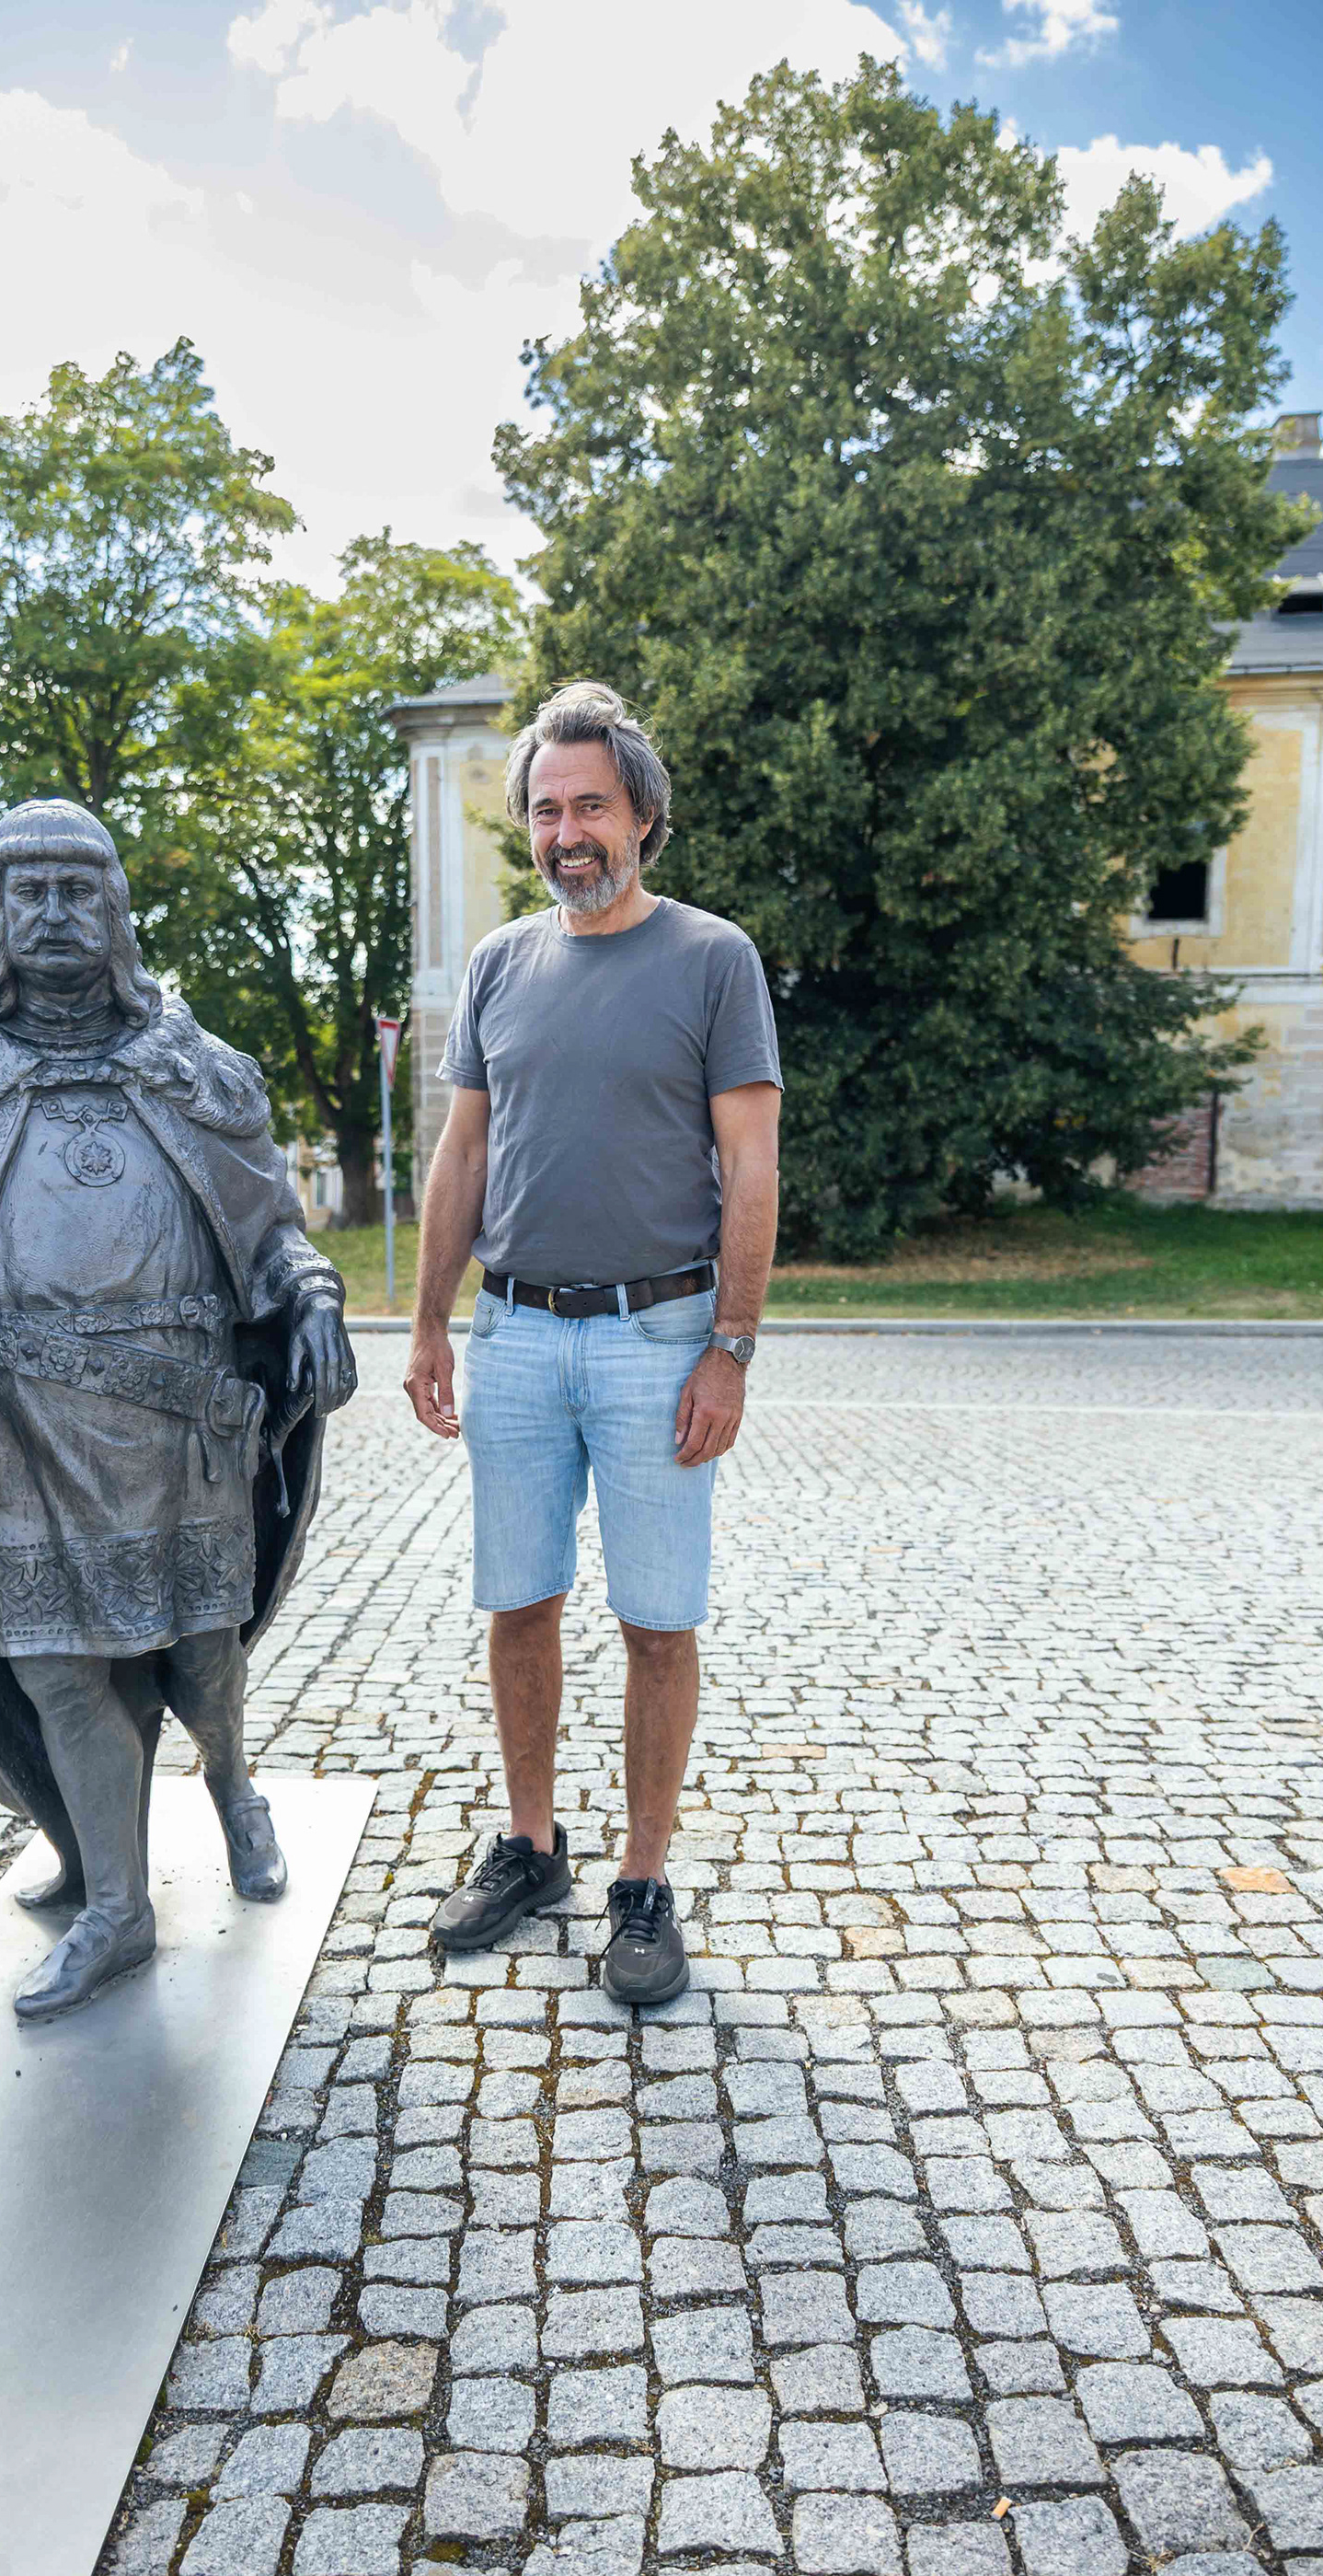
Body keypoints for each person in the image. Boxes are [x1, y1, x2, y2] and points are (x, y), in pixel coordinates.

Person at [0, 799, 356, 2020]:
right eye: (30, 891)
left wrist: (314, 1297)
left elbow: (271, 1235)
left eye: (78, 889)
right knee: (59, 1673)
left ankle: (232, 1784)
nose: (54, 913)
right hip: (18, 1433)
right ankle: (116, 1903)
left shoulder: (193, 1072)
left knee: (200, 1662)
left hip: (179, 1430)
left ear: (116, 909)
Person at [404, 682, 781, 2003]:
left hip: (659, 1338)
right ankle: (530, 1847)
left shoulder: (713, 960)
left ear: (644, 817)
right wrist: (431, 1320)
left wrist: (731, 1347)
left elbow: (751, 1166)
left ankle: (643, 1880)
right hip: (513, 1333)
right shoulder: (498, 966)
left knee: (657, 1621)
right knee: (519, 1602)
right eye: (546, 810)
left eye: (592, 807)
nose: (567, 833)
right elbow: (463, 1154)